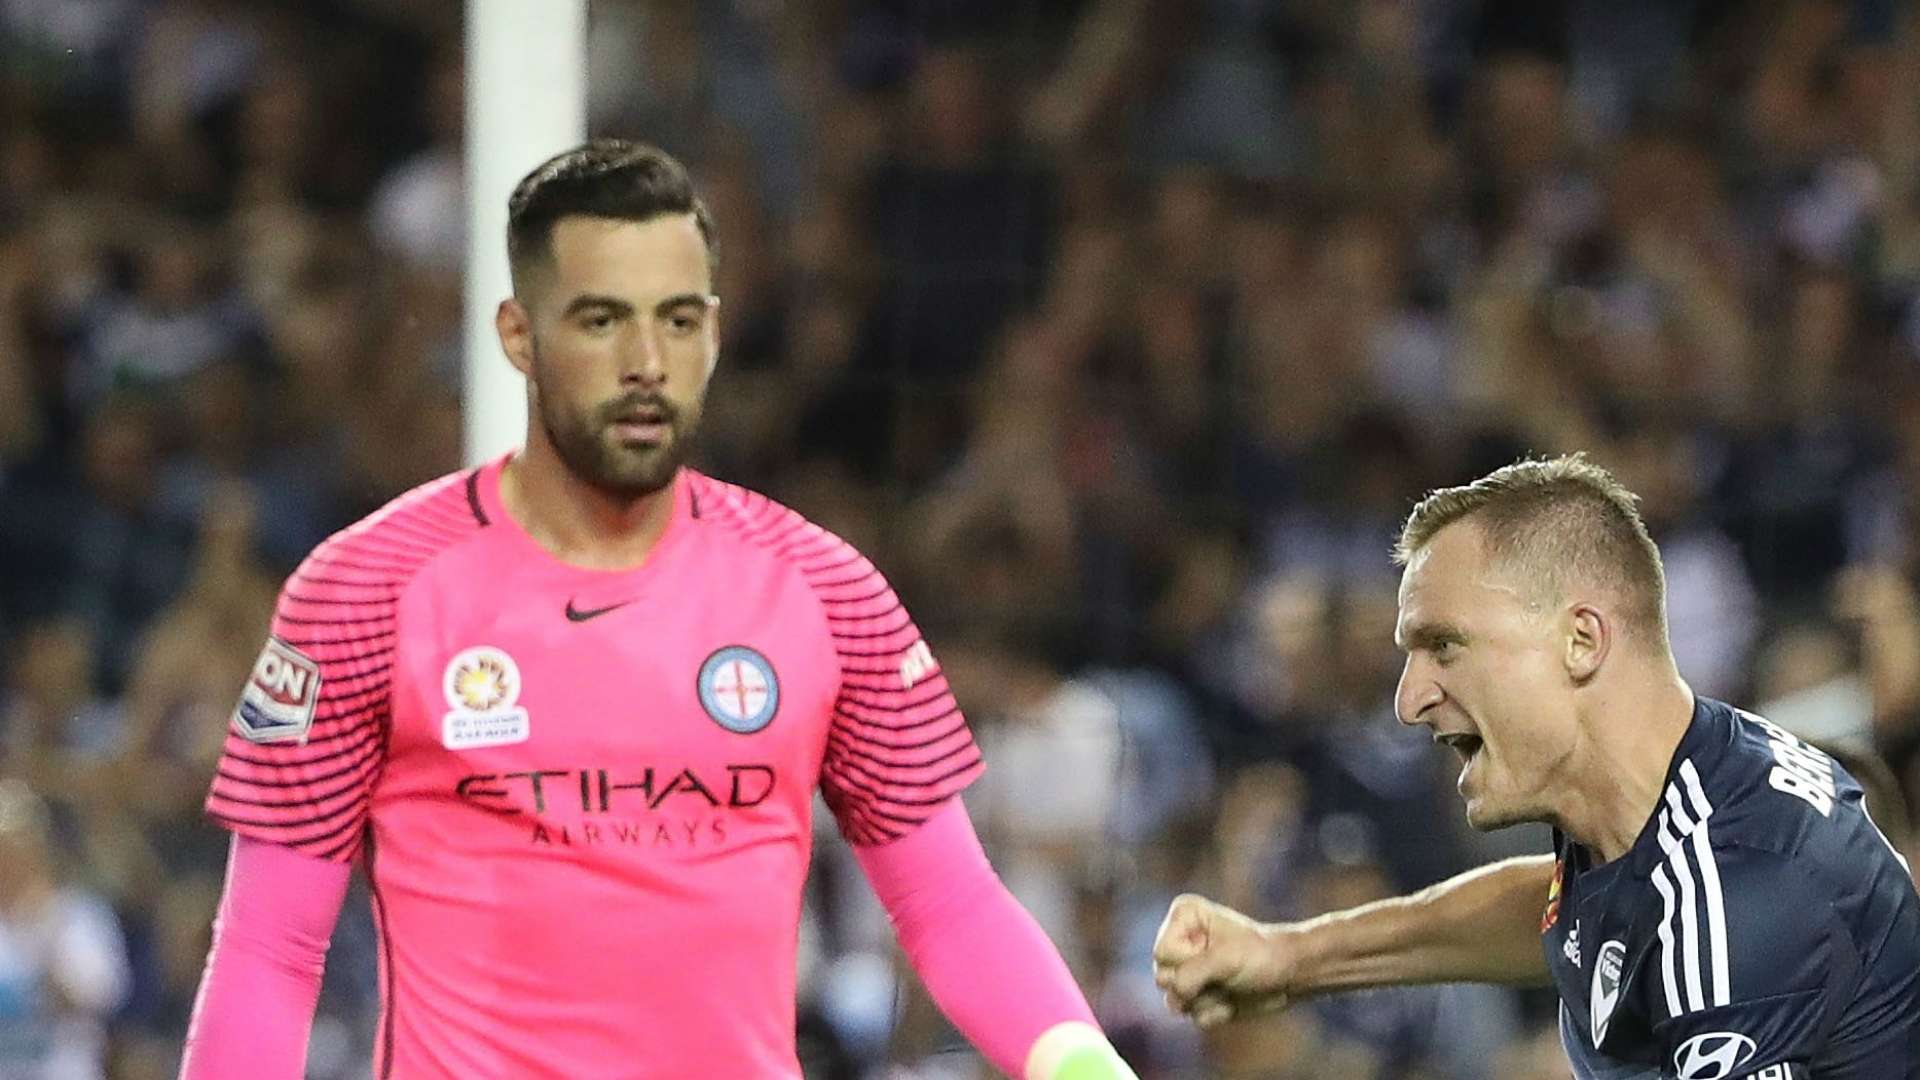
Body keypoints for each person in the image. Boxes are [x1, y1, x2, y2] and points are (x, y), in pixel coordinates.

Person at [178, 139, 1135, 1080]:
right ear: (519, 334)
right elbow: (272, 947)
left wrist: (1089, 1072)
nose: (647, 361)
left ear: (715, 333)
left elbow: (951, 907)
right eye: (601, 320)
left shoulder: (826, 592)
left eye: (678, 321)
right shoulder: (364, 592)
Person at [1153, 456, 1920, 1079]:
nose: (1410, 699)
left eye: (1444, 645)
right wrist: (1288, 957)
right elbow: (1568, 919)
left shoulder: (1737, 897)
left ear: (1581, 641)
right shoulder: (1679, 787)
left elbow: (1690, 923)